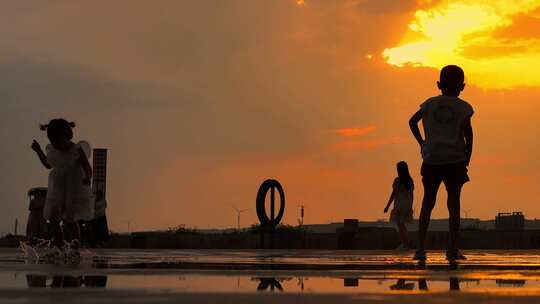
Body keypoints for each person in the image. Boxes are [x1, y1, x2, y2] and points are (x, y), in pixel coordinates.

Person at [408, 65, 474, 261]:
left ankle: (420, 248)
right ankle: (453, 249)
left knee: (428, 202)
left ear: (438, 84)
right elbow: (468, 133)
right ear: (462, 86)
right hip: (455, 160)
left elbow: (412, 122)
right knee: (454, 204)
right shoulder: (464, 107)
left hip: (432, 159)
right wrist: (468, 154)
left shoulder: (429, 104)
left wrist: (422, 143)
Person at [31, 119, 94, 251]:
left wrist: (88, 178)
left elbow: (87, 167)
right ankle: (59, 246)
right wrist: (38, 151)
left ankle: (76, 247)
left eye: (59, 142)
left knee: (70, 220)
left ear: (66, 136)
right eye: (53, 142)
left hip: (73, 189)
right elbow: (48, 164)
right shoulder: (54, 150)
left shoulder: (76, 149)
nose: (57, 145)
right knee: (53, 219)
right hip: (57, 189)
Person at [384, 161, 414, 250]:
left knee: (400, 225)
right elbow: (411, 194)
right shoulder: (410, 180)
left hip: (399, 204)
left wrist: (387, 206)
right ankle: (405, 243)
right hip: (407, 203)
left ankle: (405, 244)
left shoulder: (397, 180)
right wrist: (411, 205)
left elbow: (393, 194)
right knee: (402, 224)